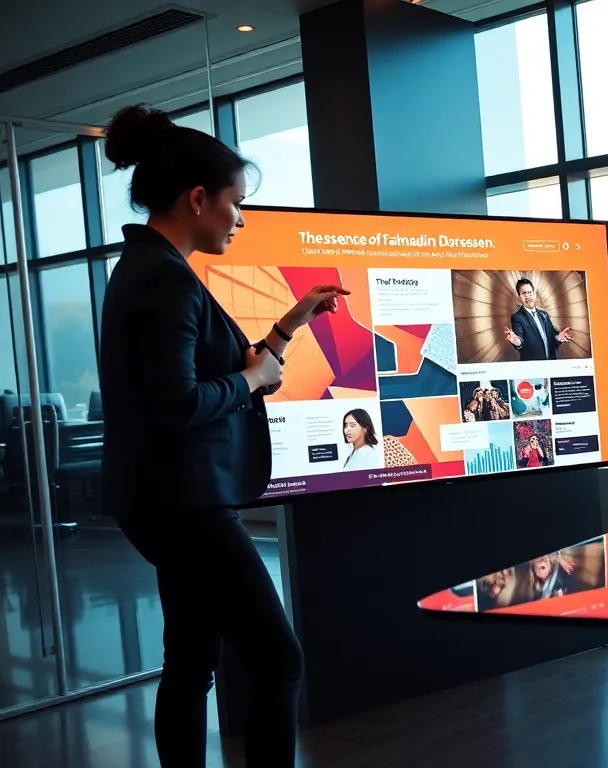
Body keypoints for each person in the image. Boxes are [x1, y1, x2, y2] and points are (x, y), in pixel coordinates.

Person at [98, 104, 349, 768]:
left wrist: (289, 326)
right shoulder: (165, 280)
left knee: (190, 660)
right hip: (186, 506)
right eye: (236, 203)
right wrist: (253, 378)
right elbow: (180, 403)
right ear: (198, 198)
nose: (241, 219)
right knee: (277, 659)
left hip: (167, 501)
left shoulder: (147, 269)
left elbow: (230, 372)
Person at [505, 277, 572, 360]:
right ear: (519, 296)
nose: (527, 296)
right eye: (524, 293)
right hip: (532, 367)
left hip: (550, 365)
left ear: (534, 293)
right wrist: (516, 341)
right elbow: (520, 340)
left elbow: (552, 339)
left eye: (529, 292)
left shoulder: (544, 315)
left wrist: (559, 337)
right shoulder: (517, 317)